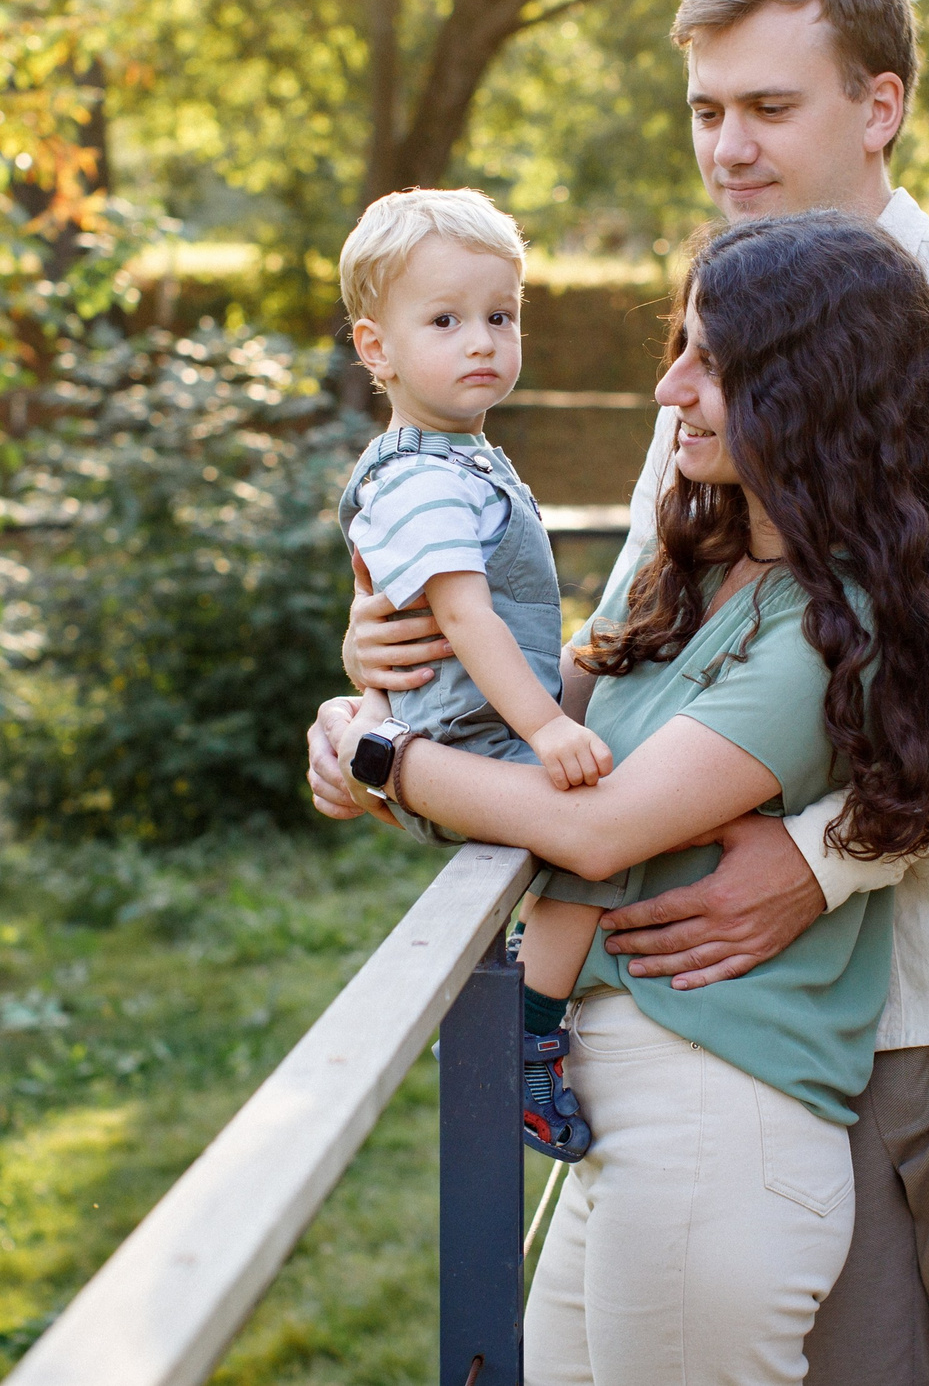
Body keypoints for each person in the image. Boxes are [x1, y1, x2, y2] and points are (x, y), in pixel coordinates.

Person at [310, 0, 929, 1385]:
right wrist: (398, 689)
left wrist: (821, 856)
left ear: (881, 104)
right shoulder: (721, 347)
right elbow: (638, 631)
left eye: (768, 106)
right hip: (786, 1018)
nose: (727, 145)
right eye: (707, 109)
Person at [327, 210, 929, 1385]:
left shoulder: (829, 626)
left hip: (713, 1124)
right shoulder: (691, 569)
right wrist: (367, 694)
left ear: (808, 388)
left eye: (707, 361)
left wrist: (382, 760)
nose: (667, 386)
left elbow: (590, 823)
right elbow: (528, 727)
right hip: (628, 1119)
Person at [332, 186, 625, 1161]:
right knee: (603, 846)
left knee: (602, 843)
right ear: (377, 350)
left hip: (469, 732)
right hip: (463, 746)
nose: (483, 342)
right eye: (446, 321)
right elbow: (461, 616)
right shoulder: (421, 481)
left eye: (501, 317)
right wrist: (546, 730)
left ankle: (527, 998)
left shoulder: (459, 461)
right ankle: (528, 1043)